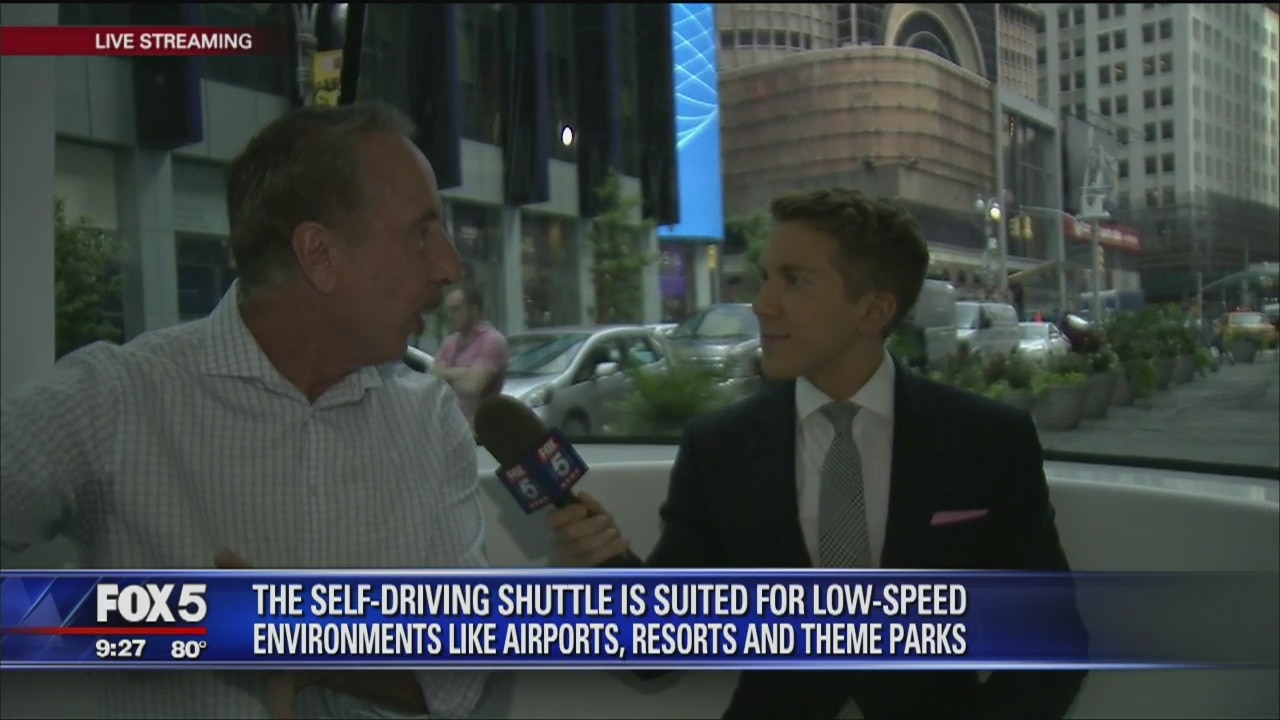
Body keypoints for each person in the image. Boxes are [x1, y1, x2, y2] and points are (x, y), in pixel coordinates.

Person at [0, 102, 491, 719]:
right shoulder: (116, 399)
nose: (449, 266)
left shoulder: (429, 418)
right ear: (320, 255)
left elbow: (460, 669)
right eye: (422, 232)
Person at [548, 188, 1088, 719]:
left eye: (794, 280)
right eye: (765, 278)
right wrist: (606, 566)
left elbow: (1054, 644)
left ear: (873, 310)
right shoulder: (721, 447)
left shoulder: (988, 441)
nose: (761, 303)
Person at [434, 285, 509, 427]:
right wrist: (463, 372)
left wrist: (446, 374)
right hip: (446, 429)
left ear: (474, 310)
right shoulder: (449, 343)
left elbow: (472, 387)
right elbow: (432, 379)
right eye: (449, 310)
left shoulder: (492, 341)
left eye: (456, 309)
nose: (451, 315)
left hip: (479, 431)